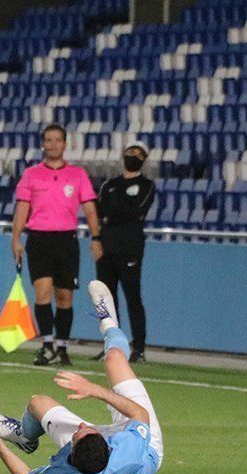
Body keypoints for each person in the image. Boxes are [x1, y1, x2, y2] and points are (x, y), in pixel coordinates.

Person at [0, 280, 163, 474]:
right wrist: (95, 390)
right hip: (147, 448)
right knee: (114, 358)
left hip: (104, 452)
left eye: (77, 434)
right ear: (107, 443)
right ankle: (108, 322)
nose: (81, 426)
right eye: (86, 429)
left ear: (70, 452)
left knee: (38, 402)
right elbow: (139, 414)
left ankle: (25, 438)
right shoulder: (131, 448)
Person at [11, 124, 101, 367]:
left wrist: (95, 237)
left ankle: (62, 346)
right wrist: (16, 238)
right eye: (48, 140)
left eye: (57, 140)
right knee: (43, 292)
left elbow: (90, 208)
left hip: (66, 240)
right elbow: (22, 208)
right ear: (43, 144)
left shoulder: (77, 175)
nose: (52, 144)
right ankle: (47, 344)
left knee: (64, 297)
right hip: (39, 239)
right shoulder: (31, 174)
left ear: (64, 144)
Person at [95, 141, 156, 363]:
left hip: (130, 248)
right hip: (106, 247)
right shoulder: (109, 185)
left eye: (138, 154)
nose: (133, 156)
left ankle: (138, 347)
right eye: (130, 152)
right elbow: (101, 210)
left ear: (143, 159)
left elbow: (137, 210)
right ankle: (111, 345)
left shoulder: (147, 185)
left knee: (132, 298)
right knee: (106, 300)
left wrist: (115, 212)